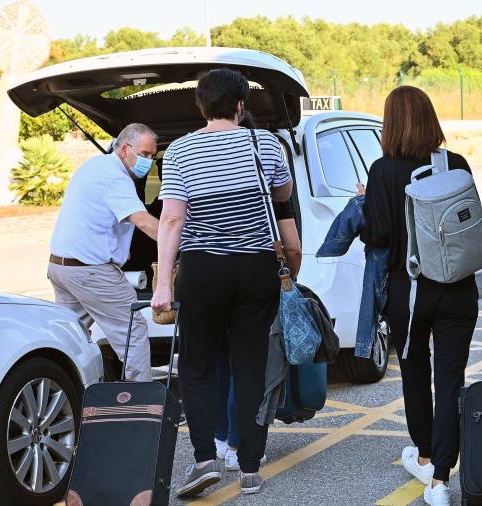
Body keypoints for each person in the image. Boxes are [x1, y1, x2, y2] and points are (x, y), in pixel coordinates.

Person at [361, 86, 482, 506]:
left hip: (407, 292)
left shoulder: (382, 171)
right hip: (457, 289)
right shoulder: (456, 165)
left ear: (390, 124)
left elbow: (376, 234)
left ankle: (426, 454)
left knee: (414, 374)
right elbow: (476, 231)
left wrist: (366, 203)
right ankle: (441, 482)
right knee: (450, 382)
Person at [152, 69, 292, 498]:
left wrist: (162, 284)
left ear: (200, 106)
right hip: (255, 268)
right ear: (239, 106)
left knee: (196, 366)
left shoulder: (179, 151)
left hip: (203, 269)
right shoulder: (266, 143)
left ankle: (204, 460)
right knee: (250, 364)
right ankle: (249, 467)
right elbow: (283, 194)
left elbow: (173, 218)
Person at [213, 110, 301, 471]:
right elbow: (292, 245)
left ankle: (220, 440)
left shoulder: (206, 177)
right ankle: (239, 443)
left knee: (219, 362)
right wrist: (290, 280)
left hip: (207, 276)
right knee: (248, 365)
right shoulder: (269, 192)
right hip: (254, 279)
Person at [48, 123, 159, 382]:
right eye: (144, 155)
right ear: (124, 150)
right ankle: (139, 403)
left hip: (61, 267)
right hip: (91, 272)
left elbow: (99, 220)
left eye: (152, 156)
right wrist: (184, 242)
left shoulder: (94, 166)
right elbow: (144, 222)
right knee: (133, 330)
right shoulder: (115, 178)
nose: (149, 162)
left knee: (69, 336)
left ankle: (71, 391)